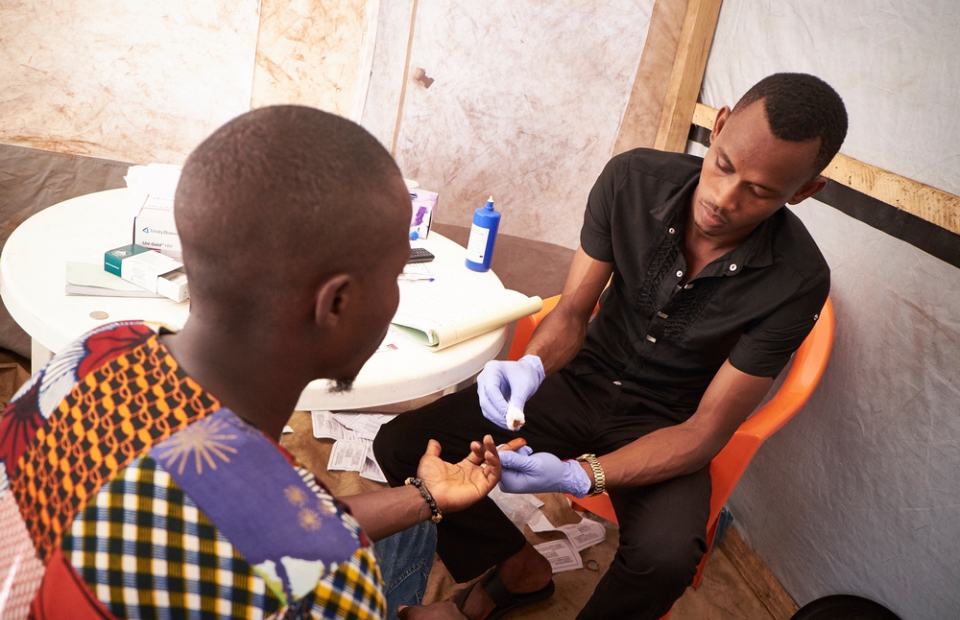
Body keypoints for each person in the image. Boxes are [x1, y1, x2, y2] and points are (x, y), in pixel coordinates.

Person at [374, 73, 848, 619]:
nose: (724, 198)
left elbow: (705, 431)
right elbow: (573, 311)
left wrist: (583, 475)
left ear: (804, 192)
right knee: (404, 443)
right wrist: (531, 363)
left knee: (667, 558)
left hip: (668, 423)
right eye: (723, 164)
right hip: (577, 381)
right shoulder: (632, 181)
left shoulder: (798, 279)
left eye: (761, 192)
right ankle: (518, 569)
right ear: (718, 127)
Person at [0, 105, 497, 619]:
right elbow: (283, 549)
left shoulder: (98, 350)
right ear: (336, 303)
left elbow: (263, 529)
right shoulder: (328, 585)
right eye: (393, 276)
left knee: (415, 524)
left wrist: (424, 496)